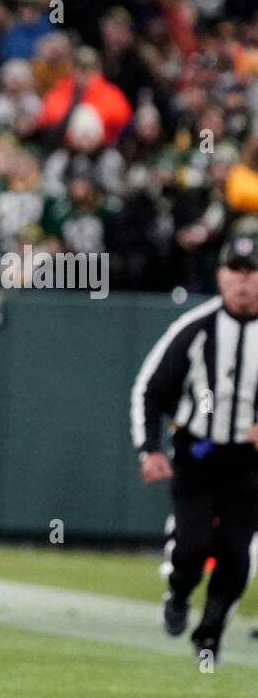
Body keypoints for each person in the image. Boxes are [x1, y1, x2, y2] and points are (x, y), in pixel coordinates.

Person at [131, 232, 258, 665]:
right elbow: (150, 389)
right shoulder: (195, 328)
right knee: (193, 545)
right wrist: (149, 448)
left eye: (252, 272)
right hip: (200, 452)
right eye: (236, 271)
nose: (244, 281)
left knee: (236, 556)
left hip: (248, 462)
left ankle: (209, 638)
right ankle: (180, 591)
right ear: (221, 276)